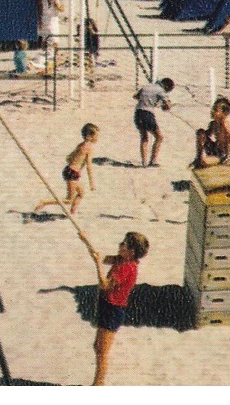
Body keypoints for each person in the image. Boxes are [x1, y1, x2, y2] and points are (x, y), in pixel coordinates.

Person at [90, 232, 149, 385]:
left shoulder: (125, 268)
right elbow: (105, 258)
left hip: (112, 311)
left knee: (102, 352)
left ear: (131, 252)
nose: (120, 245)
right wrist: (86, 241)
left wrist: (96, 263)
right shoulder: (124, 260)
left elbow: (105, 284)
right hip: (108, 307)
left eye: (124, 244)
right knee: (98, 347)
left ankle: (98, 385)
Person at [32, 123, 98, 215]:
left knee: (81, 193)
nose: (97, 138)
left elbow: (69, 157)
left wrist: (76, 162)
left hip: (69, 170)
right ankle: (44, 202)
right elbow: (89, 166)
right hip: (72, 173)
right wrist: (92, 183)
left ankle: (72, 212)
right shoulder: (89, 148)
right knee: (69, 200)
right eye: (95, 136)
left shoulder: (81, 145)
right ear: (89, 136)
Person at [133, 77, 174, 167]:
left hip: (138, 112)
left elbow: (135, 96)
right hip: (148, 113)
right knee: (159, 137)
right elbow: (167, 104)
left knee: (144, 138)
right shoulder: (161, 91)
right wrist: (165, 106)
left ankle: (144, 162)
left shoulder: (146, 86)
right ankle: (153, 160)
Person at [194, 96, 230, 169]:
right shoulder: (213, 124)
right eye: (213, 109)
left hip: (223, 155)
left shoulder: (225, 126)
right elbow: (205, 137)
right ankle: (198, 158)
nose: (212, 111)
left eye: (216, 110)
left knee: (204, 162)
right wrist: (200, 134)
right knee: (200, 132)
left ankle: (202, 161)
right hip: (215, 149)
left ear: (224, 114)